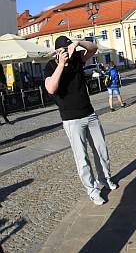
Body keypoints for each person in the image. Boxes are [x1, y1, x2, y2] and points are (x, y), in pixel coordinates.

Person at [44, 36, 118, 205]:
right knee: (82, 158)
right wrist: (61, 64)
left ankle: (105, 178)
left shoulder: (77, 57)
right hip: (71, 119)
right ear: (57, 52)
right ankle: (92, 190)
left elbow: (93, 48)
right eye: (64, 50)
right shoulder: (50, 66)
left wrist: (77, 44)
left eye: (69, 49)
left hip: (89, 113)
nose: (68, 52)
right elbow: (51, 88)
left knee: (101, 150)